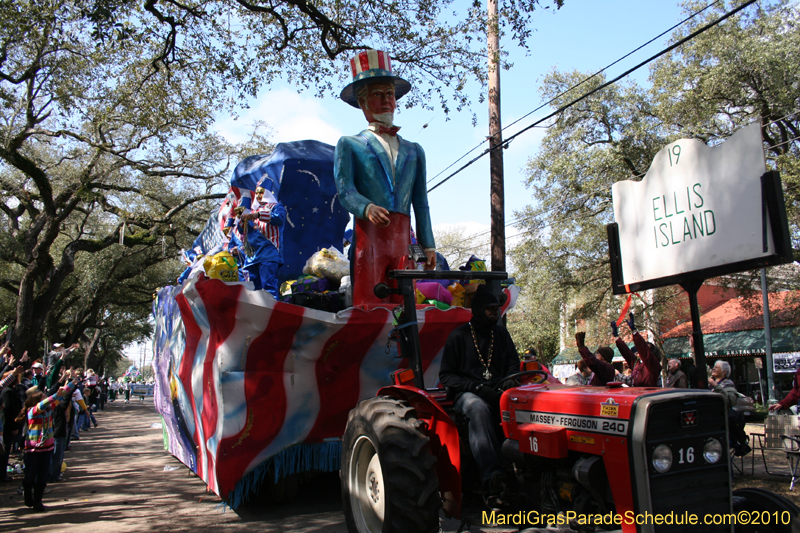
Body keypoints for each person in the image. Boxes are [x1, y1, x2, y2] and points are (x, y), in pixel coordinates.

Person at [334, 49, 436, 306]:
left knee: (405, 301)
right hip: (369, 239)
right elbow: (345, 190)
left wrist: (428, 244)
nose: (387, 101)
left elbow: (420, 201)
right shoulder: (349, 144)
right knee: (369, 300)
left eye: (390, 94)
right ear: (363, 101)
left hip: (403, 240)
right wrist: (366, 207)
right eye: (378, 95)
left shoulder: (415, 150)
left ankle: (405, 346)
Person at [439, 285, 518, 501]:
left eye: (497, 309)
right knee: (478, 408)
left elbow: (513, 364)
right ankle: (492, 477)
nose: (495, 313)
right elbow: (446, 376)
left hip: (498, 390)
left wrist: (508, 382)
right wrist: (476, 388)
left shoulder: (501, 334)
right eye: (490, 309)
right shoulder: (459, 336)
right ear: (478, 310)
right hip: (467, 394)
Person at [15, 378, 78, 511]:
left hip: (47, 449)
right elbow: (49, 401)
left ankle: (38, 502)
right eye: (43, 396)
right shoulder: (33, 411)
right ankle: (28, 493)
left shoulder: (49, 410)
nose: (46, 398)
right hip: (33, 449)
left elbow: (60, 398)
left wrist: (71, 384)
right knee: (31, 476)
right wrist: (57, 394)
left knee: (43, 477)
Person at [611, 314, 661, 387]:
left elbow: (643, 349)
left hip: (648, 396)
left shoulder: (653, 364)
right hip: (637, 395)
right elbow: (627, 353)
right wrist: (617, 337)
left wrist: (634, 331)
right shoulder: (637, 364)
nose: (639, 352)